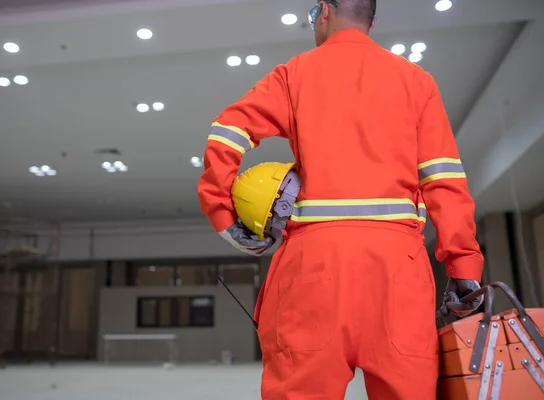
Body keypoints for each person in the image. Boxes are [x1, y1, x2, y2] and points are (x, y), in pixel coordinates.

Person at [197, 1, 485, 398]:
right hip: (397, 270)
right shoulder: (415, 81)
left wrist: (222, 212)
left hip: (314, 266)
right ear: (372, 22)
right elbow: (444, 180)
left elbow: (227, 131)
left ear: (325, 12)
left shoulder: (293, 74)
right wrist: (463, 263)